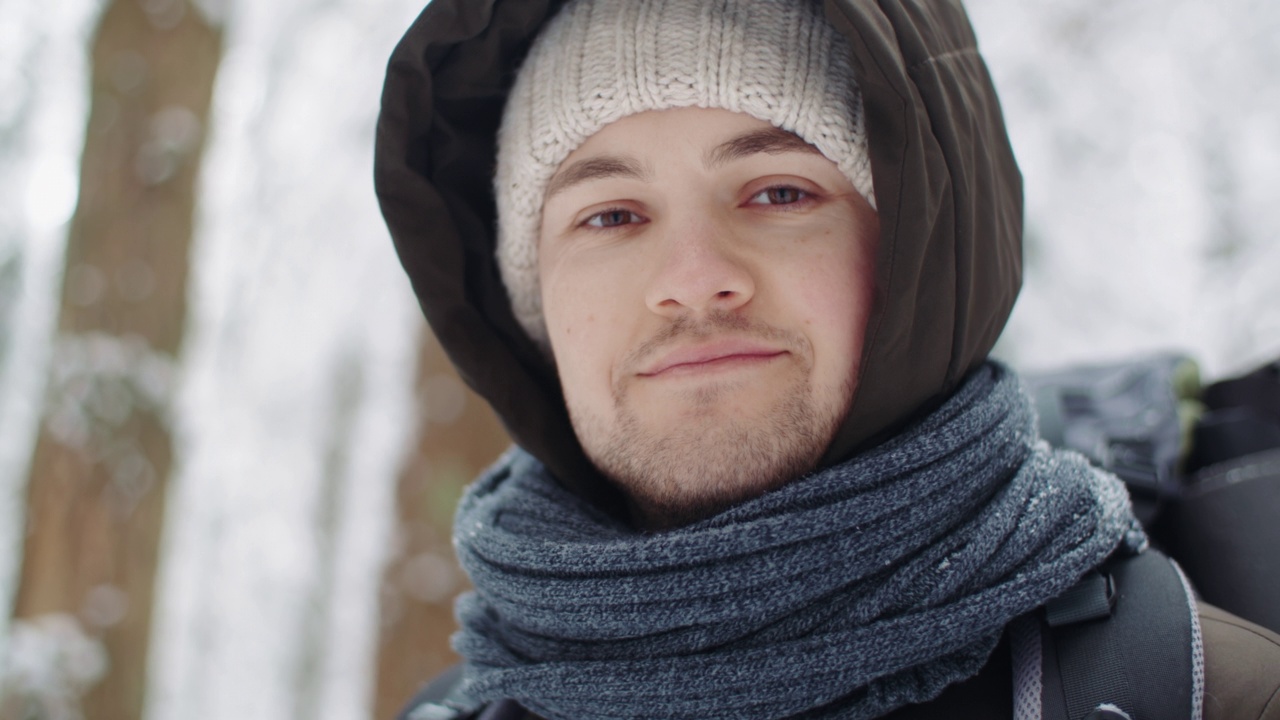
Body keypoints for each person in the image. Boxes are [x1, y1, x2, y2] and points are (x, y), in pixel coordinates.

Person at [374, 0, 1280, 718]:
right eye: (610, 215)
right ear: (533, 305)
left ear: (919, 257)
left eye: (777, 191)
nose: (692, 280)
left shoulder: (1213, 697)